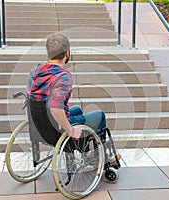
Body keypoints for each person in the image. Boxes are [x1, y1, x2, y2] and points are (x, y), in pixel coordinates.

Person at [26, 33, 120, 161]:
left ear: (48, 53)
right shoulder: (62, 77)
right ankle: (99, 159)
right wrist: (70, 130)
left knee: (77, 109)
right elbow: (55, 108)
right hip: (56, 130)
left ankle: (85, 152)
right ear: (67, 54)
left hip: (39, 127)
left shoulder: (36, 72)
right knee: (100, 115)